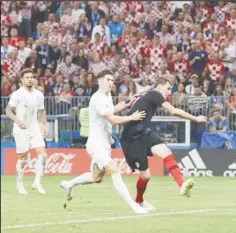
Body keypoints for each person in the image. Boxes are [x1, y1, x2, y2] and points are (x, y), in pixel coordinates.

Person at [60, 70, 148, 214]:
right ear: (100, 81)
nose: (111, 82)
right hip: (95, 144)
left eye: (112, 80)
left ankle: (69, 184)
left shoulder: (107, 96)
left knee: (96, 177)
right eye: (108, 79)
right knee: (114, 170)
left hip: (105, 144)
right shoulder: (98, 98)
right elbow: (112, 118)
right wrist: (132, 117)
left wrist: (128, 103)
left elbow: (113, 109)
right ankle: (134, 206)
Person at [120, 78, 207, 208]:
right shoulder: (155, 94)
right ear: (159, 86)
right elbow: (174, 111)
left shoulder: (145, 93)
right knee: (146, 176)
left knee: (166, 153)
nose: (169, 92)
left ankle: (182, 185)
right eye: (167, 88)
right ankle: (139, 201)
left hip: (143, 132)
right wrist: (195, 118)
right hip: (132, 138)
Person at [5, 68, 48, 195]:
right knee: (23, 158)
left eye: (31, 77)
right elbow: (8, 110)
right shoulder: (17, 94)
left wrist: (45, 125)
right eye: (27, 77)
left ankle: (37, 183)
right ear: (22, 80)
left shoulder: (39, 94)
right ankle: (19, 184)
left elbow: (41, 112)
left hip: (34, 127)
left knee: (43, 155)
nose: (30, 79)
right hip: (20, 129)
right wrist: (17, 120)